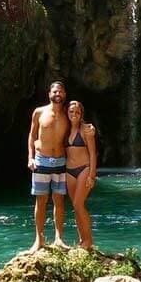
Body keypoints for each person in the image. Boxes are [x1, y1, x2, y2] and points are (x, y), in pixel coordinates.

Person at [27, 81, 70, 251]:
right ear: (49, 94)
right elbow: (31, 136)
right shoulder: (39, 112)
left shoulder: (68, 113)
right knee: (41, 200)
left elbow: (77, 130)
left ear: (64, 94)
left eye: (60, 91)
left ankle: (59, 239)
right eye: (54, 91)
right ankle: (39, 240)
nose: (57, 94)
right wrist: (30, 158)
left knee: (59, 200)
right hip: (41, 160)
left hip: (60, 161)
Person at [64, 100, 99, 249]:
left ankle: (89, 241)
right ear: (67, 112)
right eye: (71, 111)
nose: (74, 114)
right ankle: (82, 240)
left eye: (77, 112)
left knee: (79, 204)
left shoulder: (86, 130)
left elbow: (92, 153)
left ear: (81, 114)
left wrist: (92, 175)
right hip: (69, 172)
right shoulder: (64, 129)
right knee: (75, 206)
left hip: (84, 169)